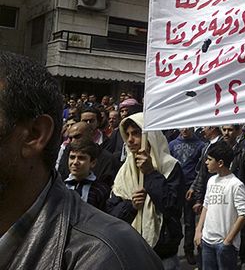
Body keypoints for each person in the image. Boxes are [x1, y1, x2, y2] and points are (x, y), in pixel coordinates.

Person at [0, 51, 163, 269]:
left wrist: (150, 176)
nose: (75, 161)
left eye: (137, 133)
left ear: (34, 135)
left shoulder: (107, 256)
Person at [107, 112, 184, 270]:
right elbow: (112, 213)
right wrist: (131, 206)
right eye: (127, 134)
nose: (130, 140)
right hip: (130, 252)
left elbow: (172, 206)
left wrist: (150, 174)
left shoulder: (170, 167)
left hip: (162, 255)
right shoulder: (125, 171)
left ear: (150, 136)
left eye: (136, 133)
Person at [194, 141, 245, 270]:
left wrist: (228, 240)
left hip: (224, 244)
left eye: (209, 159)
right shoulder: (211, 180)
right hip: (207, 241)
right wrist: (198, 230)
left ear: (220, 163)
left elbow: (243, 214)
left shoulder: (236, 184)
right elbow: (206, 206)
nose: (206, 162)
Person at [168, 127, 205, 266]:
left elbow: (200, 170)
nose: (184, 130)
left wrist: (194, 187)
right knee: (174, 220)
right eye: (182, 127)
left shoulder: (200, 145)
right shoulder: (172, 145)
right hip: (175, 188)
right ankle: (172, 249)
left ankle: (188, 249)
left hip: (191, 188)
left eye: (188, 127)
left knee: (189, 221)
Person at [221, 124, 245, 270]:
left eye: (230, 130)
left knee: (244, 229)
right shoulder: (218, 151)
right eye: (224, 129)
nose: (226, 133)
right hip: (223, 197)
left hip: (240, 197)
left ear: (238, 132)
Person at [64, 138, 111, 211]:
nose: (75, 162)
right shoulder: (61, 187)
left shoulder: (101, 190)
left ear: (93, 163)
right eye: (72, 157)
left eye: (81, 158)